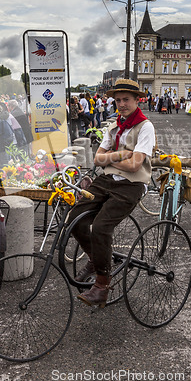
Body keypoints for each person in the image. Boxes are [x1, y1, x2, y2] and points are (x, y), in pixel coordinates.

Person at [68, 78, 155, 307]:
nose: (121, 104)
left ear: (138, 100)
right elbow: (97, 159)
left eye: (126, 99)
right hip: (107, 180)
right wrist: (120, 156)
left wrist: (110, 160)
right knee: (74, 219)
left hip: (131, 184)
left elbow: (135, 165)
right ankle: (95, 260)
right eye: (118, 100)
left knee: (101, 226)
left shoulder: (145, 127)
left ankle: (102, 285)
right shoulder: (115, 126)